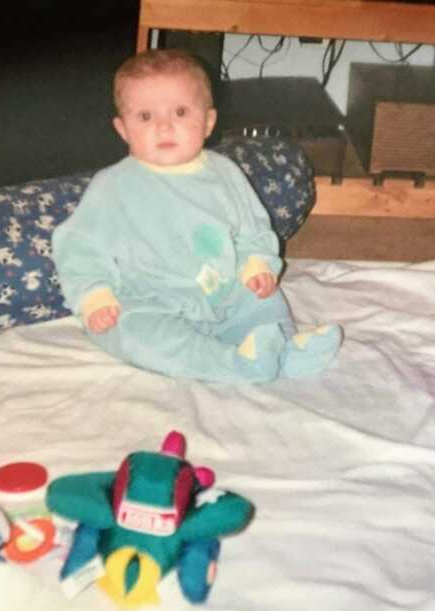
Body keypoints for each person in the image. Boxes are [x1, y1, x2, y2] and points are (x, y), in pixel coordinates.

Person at [51, 49, 341, 383]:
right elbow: (79, 245)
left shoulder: (225, 173)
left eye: (180, 112)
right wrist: (93, 294)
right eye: (145, 116)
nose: (164, 126)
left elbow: (253, 226)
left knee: (262, 298)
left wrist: (256, 263)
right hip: (150, 299)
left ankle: (287, 352)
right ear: (123, 129)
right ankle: (234, 365)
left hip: (223, 289)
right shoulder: (112, 186)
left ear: (208, 122)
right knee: (129, 331)